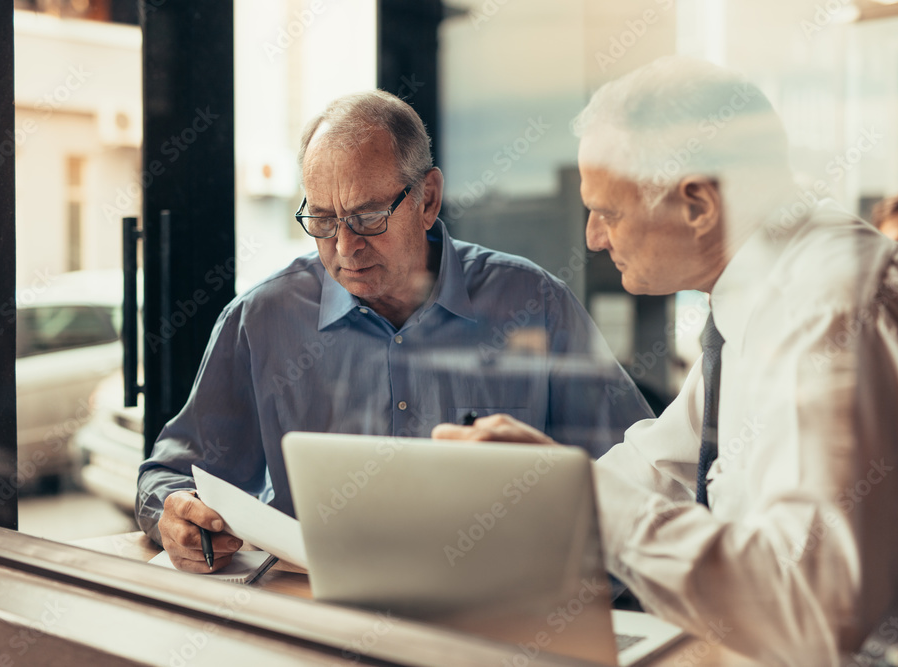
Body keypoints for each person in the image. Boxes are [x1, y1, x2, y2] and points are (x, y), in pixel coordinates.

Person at [434, 57, 898, 665]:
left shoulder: (832, 310)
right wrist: (508, 501)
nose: (592, 237)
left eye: (607, 212)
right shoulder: (757, 293)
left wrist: (580, 497)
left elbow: (813, 614)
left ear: (697, 204)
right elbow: (662, 463)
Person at [137, 90, 652, 572]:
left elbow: (643, 478)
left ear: (428, 199)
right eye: (321, 219)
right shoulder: (262, 320)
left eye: (367, 218)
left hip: (497, 612)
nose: (344, 248)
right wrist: (175, 514)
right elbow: (170, 476)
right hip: (312, 616)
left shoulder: (535, 306)